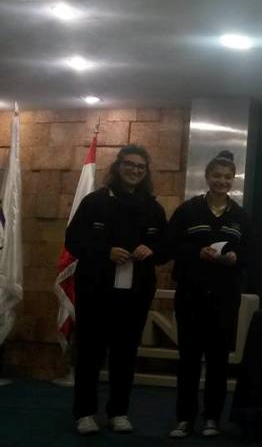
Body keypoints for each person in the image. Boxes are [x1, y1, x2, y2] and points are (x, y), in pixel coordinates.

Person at [65, 145, 167, 435]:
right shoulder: (94, 202)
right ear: (118, 166)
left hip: (135, 295)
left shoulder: (153, 208)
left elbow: (166, 246)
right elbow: (73, 241)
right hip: (95, 292)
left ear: (146, 172)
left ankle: (119, 412)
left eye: (140, 167)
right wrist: (104, 252)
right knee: (90, 353)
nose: (135, 170)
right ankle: (85, 413)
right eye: (129, 165)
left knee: (125, 354)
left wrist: (153, 249)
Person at [166, 151, 251, 438]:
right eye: (216, 176)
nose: (221, 181)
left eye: (227, 177)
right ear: (207, 177)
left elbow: (252, 252)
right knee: (188, 360)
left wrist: (236, 258)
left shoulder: (241, 216)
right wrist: (195, 253)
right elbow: (169, 246)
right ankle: (184, 419)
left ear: (233, 179)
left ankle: (212, 418)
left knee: (218, 361)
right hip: (190, 295)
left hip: (225, 299)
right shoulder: (188, 210)